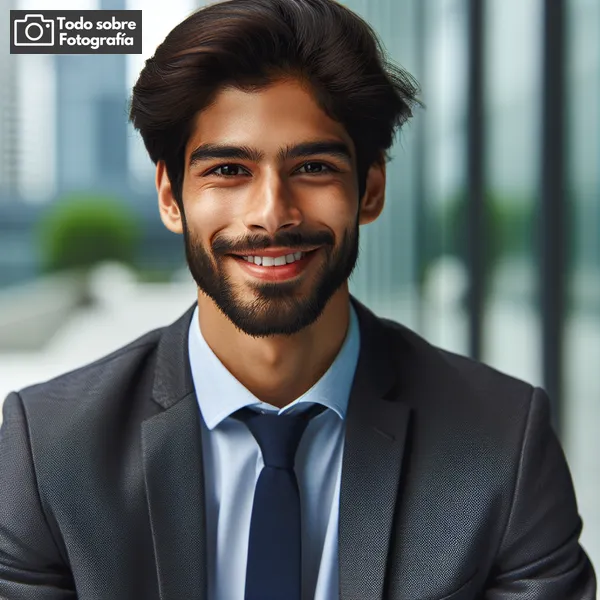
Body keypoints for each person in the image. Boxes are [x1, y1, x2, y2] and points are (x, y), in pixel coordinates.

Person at [0, 0, 596, 598]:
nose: (272, 215)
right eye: (229, 169)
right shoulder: (47, 450)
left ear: (371, 189)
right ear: (170, 196)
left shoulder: (504, 443)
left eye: (312, 166)